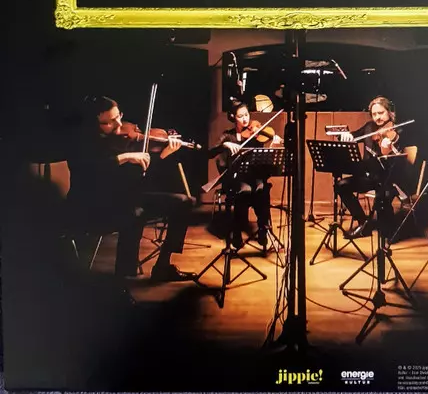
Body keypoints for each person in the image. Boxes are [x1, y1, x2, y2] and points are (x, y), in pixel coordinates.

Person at [66, 96, 195, 281]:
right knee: (134, 213)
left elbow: (139, 177)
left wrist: (163, 155)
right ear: (93, 124)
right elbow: (90, 170)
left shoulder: (120, 140)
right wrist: (124, 157)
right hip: (94, 206)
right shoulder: (82, 144)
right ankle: (124, 277)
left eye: (118, 116)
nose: (118, 124)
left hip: (125, 197)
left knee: (184, 202)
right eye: (108, 122)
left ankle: (163, 267)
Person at [208, 101, 283, 249]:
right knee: (245, 190)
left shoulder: (256, 135)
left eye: (247, 115)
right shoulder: (228, 136)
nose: (245, 119)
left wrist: (273, 144)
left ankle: (263, 228)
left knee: (262, 188)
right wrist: (225, 145)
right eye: (240, 116)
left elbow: (263, 159)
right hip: (235, 178)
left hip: (254, 176)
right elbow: (210, 152)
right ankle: (237, 231)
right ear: (233, 118)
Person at [336, 96, 407, 240]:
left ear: (390, 113)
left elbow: (399, 154)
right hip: (369, 177)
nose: (377, 117)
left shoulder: (397, 129)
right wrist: (346, 135)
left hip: (389, 178)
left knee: (383, 196)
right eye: (374, 114)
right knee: (341, 185)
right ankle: (364, 224)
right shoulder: (369, 127)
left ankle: (389, 232)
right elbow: (354, 135)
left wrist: (388, 146)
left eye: (381, 113)